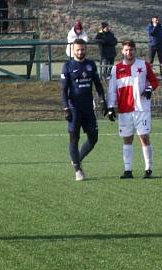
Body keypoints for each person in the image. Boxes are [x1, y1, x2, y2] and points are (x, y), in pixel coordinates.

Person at [105, 39, 159, 179]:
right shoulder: (116, 68)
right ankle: (128, 170)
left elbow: (154, 81)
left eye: (132, 49)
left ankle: (148, 169)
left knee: (144, 138)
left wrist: (149, 88)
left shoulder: (143, 65)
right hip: (124, 110)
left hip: (142, 109)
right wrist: (111, 107)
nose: (129, 52)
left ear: (135, 50)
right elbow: (112, 90)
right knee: (127, 139)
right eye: (127, 50)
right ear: (122, 51)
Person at [61, 39, 105, 181]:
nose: (80, 52)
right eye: (78, 49)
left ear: (86, 49)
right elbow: (63, 89)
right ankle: (78, 170)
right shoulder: (67, 66)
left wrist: (103, 101)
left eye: (82, 49)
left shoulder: (91, 65)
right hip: (74, 108)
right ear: (73, 50)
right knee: (74, 138)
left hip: (88, 108)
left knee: (93, 138)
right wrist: (66, 107)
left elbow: (98, 85)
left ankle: (77, 159)